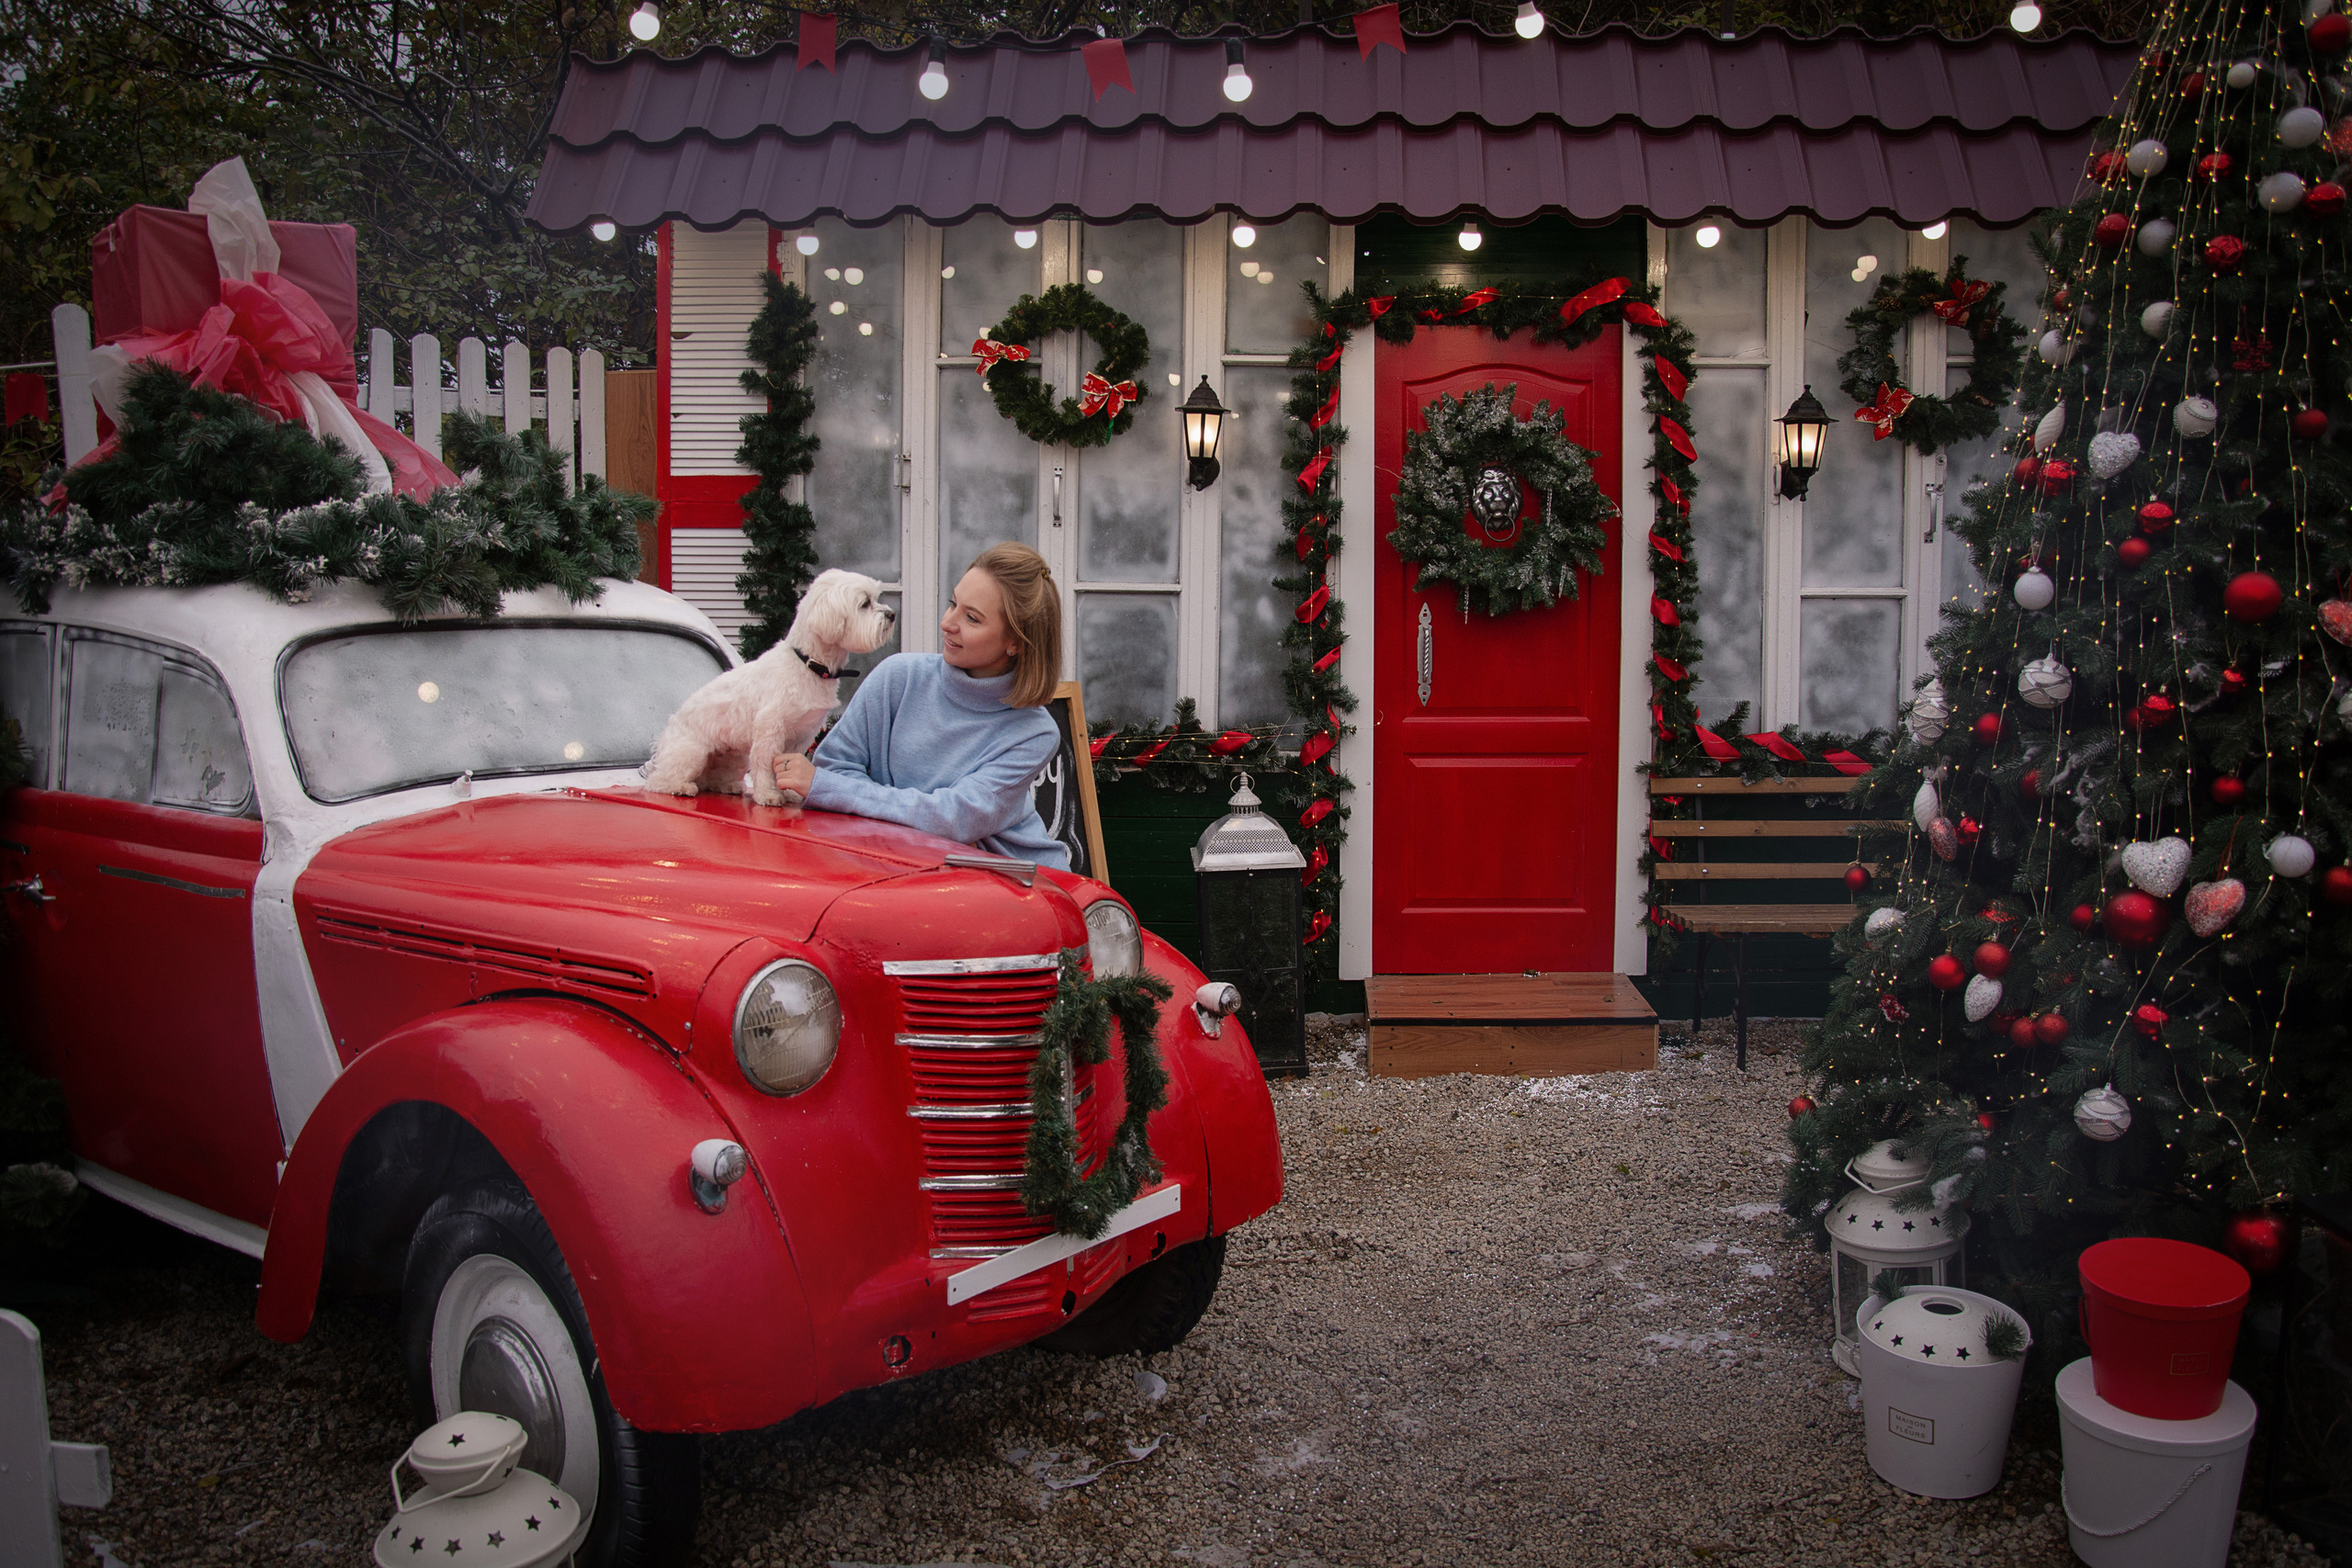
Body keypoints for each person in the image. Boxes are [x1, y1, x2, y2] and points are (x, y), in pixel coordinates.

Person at [773, 542, 1069, 870]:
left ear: (1015, 641)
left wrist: (836, 791)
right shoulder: (898, 678)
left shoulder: (1034, 732)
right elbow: (834, 768)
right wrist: (927, 828)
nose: (947, 623)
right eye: (953, 604)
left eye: (971, 618)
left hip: (1018, 881)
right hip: (897, 871)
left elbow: (954, 818)